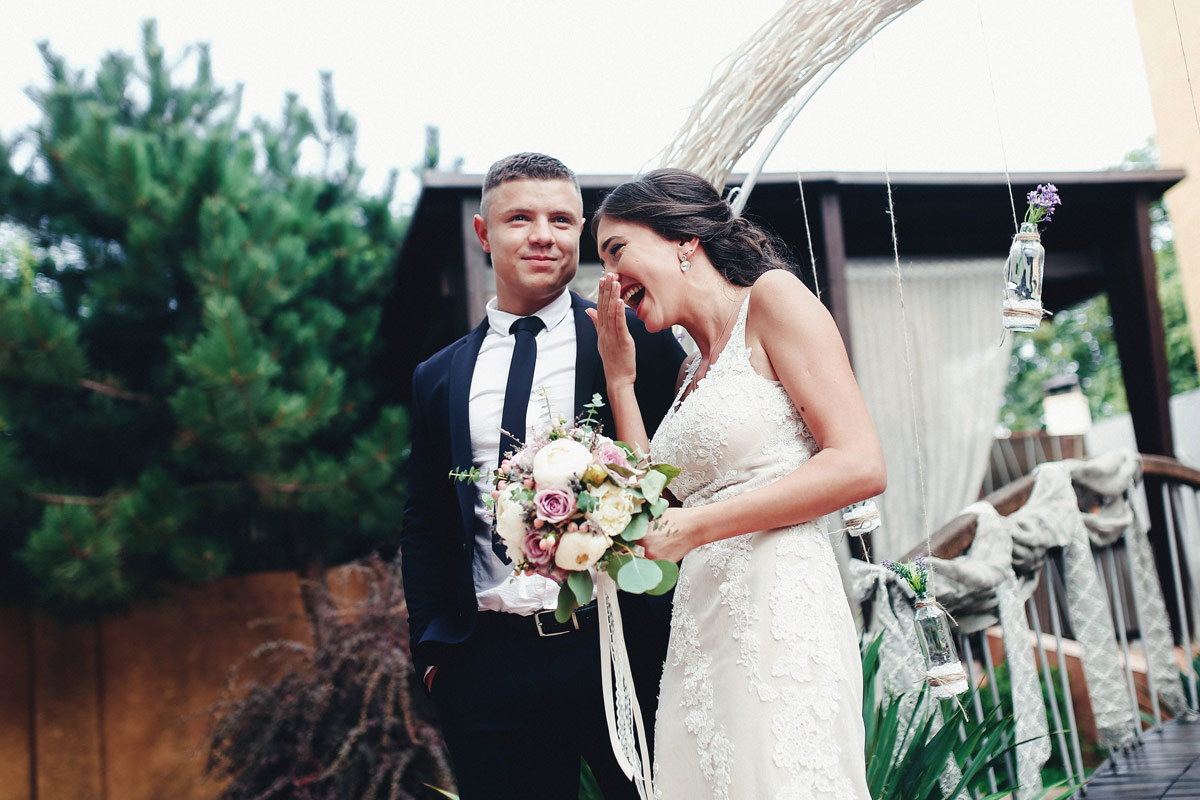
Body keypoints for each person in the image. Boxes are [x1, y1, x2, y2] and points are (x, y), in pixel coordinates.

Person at [588, 168, 886, 799]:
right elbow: (653, 511)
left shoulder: (773, 298)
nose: (608, 279)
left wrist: (697, 526)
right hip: (701, 623)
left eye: (616, 251)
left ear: (683, 240)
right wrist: (620, 382)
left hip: (779, 606)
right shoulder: (688, 374)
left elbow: (860, 463)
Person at [400, 153, 686, 800]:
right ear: (484, 233)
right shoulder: (436, 377)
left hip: (619, 644)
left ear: (580, 231)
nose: (542, 235)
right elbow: (424, 520)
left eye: (560, 220)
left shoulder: (637, 338)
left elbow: (680, 477)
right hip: (487, 667)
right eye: (519, 219)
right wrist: (435, 655)